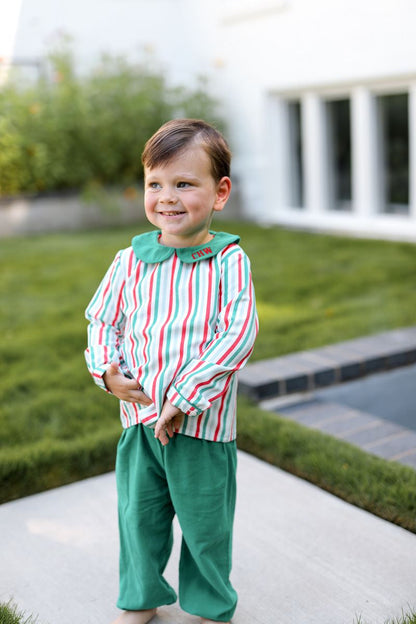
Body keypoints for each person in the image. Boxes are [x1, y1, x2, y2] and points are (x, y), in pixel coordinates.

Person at [85, 119, 258, 624]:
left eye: (184, 183)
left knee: (206, 527)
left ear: (220, 192)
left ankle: (208, 603)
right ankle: (141, 598)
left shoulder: (228, 261)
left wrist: (183, 396)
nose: (167, 197)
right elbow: (103, 319)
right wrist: (106, 372)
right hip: (140, 423)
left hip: (201, 427)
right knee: (140, 519)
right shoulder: (129, 261)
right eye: (155, 184)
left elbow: (237, 335)